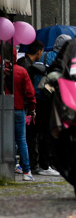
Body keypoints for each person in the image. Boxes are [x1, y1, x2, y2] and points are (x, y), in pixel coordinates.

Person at [18, 40, 58, 176]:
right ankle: (33, 165)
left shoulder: (26, 62)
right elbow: (28, 88)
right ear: (39, 51)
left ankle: (31, 164)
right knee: (31, 135)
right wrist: (31, 105)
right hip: (30, 104)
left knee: (29, 135)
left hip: (29, 103)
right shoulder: (27, 65)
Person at [4, 43, 35, 181]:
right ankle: (27, 171)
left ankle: (10, 166)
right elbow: (30, 93)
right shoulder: (21, 71)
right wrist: (32, 109)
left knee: (5, 139)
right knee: (21, 140)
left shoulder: (3, 70)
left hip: (3, 110)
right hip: (19, 108)